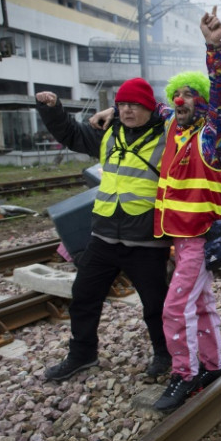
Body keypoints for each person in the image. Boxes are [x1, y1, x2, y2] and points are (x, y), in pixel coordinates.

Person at [35, 80, 172, 381]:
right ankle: (82, 354)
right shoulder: (108, 133)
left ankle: (165, 354)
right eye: (122, 104)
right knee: (83, 296)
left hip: (146, 240)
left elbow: (188, 116)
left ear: (150, 107)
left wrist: (114, 109)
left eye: (134, 104)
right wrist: (52, 110)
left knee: (155, 304)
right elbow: (70, 134)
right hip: (104, 235)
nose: (126, 110)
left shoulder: (168, 135)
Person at [152, 7, 221, 412]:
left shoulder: (211, 134)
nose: (179, 101)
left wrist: (213, 47)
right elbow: (155, 110)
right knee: (201, 304)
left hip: (199, 238)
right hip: (179, 239)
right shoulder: (174, 127)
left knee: (174, 308)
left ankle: (183, 375)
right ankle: (213, 365)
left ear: (201, 102)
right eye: (176, 96)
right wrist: (111, 114)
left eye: (188, 95)